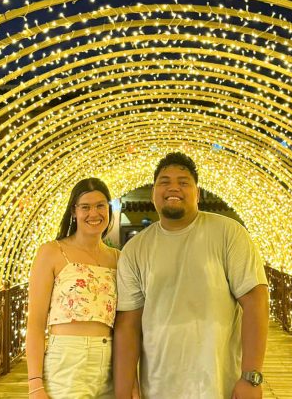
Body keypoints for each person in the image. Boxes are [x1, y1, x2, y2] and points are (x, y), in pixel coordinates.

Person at [114, 152, 269, 399]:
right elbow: (128, 325)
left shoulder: (229, 233)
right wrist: (125, 387)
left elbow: (255, 302)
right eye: (164, 182)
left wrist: (251, 377)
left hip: (219, 384)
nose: (173, 187)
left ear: (197, 193)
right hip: (157, 385)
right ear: (154, 192)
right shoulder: (135, 250)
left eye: (183, 182)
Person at [26, 178, 119, 399]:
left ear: (108, 209)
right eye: (85, 207)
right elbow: (36, 324)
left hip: (110, 358)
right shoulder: (52, 252)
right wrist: (35, 384)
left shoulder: (118, 258)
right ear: (74, 212)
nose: (93, 213)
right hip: (69, 357)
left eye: (100, 205)